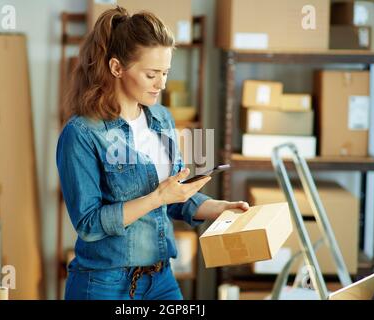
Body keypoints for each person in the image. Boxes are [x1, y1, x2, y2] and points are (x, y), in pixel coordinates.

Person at [56, 6, 249, 300]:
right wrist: (158, 197)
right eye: (151, 74)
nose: (162, 84)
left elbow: (177, 197)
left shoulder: (161, 118)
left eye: (166, 73)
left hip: (161, 279)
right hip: (104, 284)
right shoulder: (82, 133)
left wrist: (220, 208)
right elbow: (89, 224)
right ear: (117, 67)